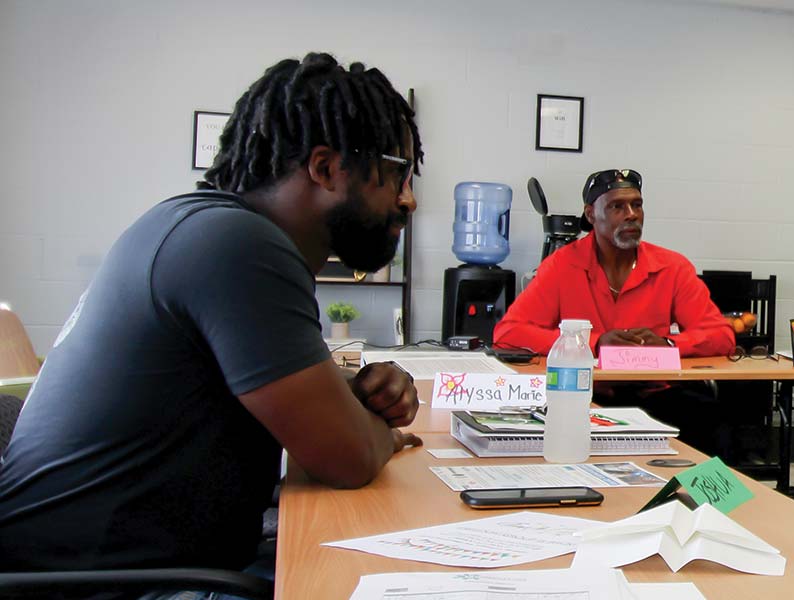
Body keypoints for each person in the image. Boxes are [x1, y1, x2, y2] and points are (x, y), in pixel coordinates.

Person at [0, 53, 424, 586]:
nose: (409, 199)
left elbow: (234, 386)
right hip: (105, 588)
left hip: (119, 568)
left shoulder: (200, 226)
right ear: (324, 169)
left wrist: (361, 390)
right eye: (396, 173)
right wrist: (384, 434)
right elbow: (351, 458)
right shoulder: (238, 248)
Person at [493, 168, 737, 453]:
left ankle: (707, 498)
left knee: (718, 426)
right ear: (590, 214)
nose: (631, 214)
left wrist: (669, 344)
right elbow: (507, 333)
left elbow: (721, 334)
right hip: (585, 396)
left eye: (637, 204)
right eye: (617, 206)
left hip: (656, 395)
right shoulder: (562, 265)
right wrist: (592, 343)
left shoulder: (672, 267)